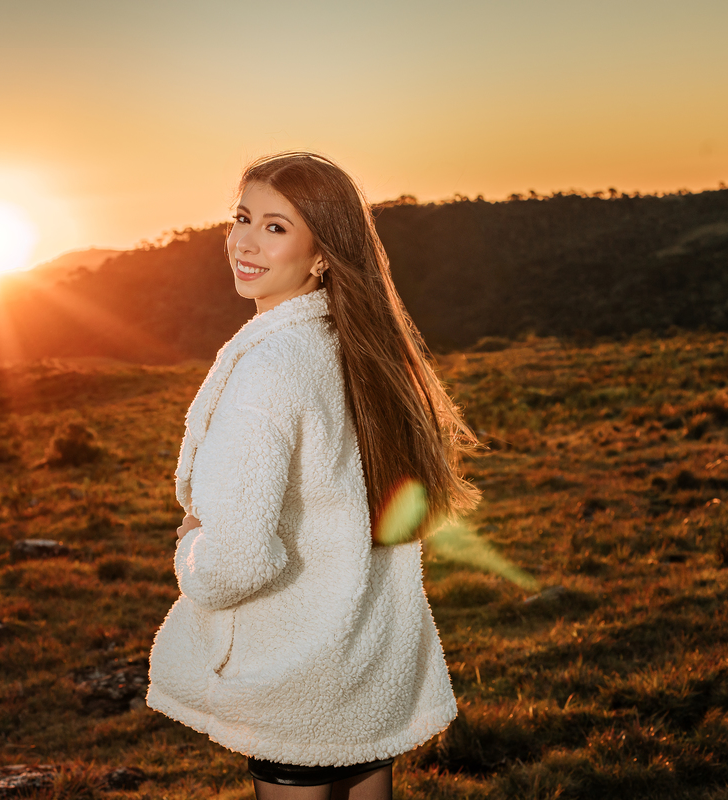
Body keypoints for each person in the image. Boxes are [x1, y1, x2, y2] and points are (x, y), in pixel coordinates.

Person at [145, 151, 480, 800]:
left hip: (297, 681)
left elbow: (237, 559)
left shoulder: (269, 369)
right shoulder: (360, 348)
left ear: (322, 253)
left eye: (275, 227)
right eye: (242, 218)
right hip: (365, 678)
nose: (244, 242)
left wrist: (192, 546)